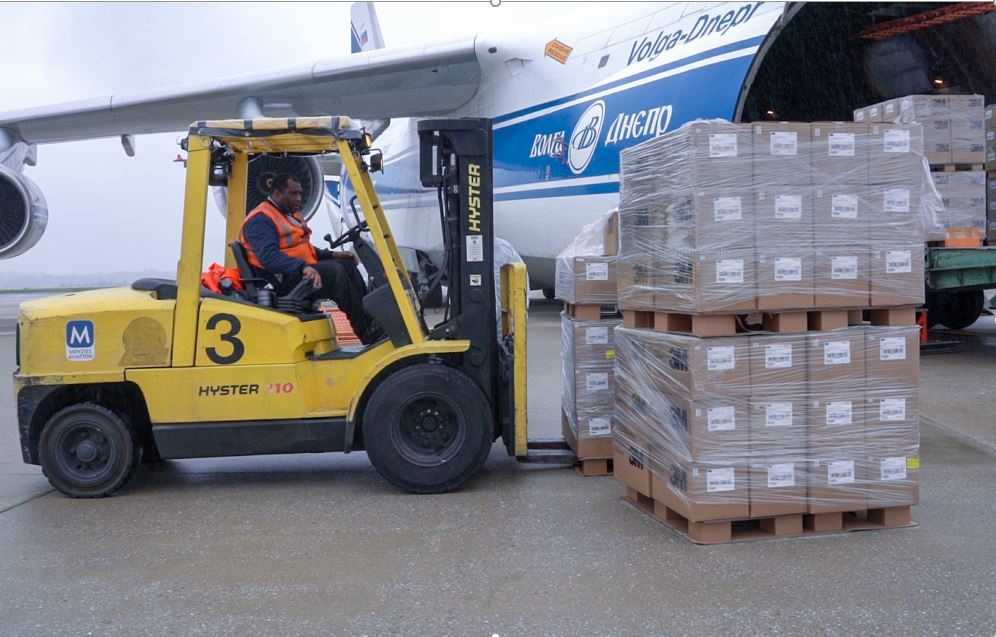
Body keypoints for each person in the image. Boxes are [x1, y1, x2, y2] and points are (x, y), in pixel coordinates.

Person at [239, 173, 384, 344]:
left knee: (346, 264)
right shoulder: (261, 220)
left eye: (300, 193)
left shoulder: (289, 215)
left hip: (296, 272)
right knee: (334, 273)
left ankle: (373, 319)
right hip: (278, 281)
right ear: (277, 194)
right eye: (293, 194)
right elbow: (269, 258)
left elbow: (302, 248)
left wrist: (332, 254)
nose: (299, 198)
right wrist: (302, 267)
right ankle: (366, 331)